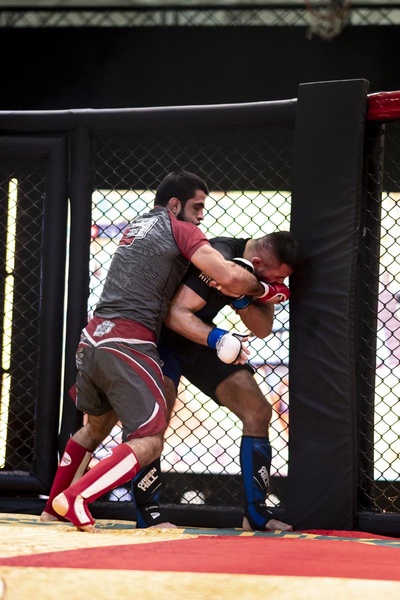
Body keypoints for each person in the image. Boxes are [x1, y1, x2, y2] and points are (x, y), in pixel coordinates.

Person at [40, 169, 268, 532]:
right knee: (149, 439)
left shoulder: (136, 225)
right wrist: (266, 290)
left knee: (95, 428)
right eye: (197, 207)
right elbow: (229, 277)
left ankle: (51, 509)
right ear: (175, 205)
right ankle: (78, 496)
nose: (201, 216)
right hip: (129, 343)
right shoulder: (182, 229)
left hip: (93, 339)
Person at [131, 231, 303, 532]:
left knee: (257, 410)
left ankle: (256, 514)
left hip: (199, 340)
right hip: (162, 339)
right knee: (155, 421)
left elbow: (263, 328)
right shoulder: (218, 254)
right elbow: (174, 315)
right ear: (257, 262)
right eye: (276, 278)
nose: (278, 285)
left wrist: (242, 299)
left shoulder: (256, 274)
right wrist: (219, 337)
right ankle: (148, 514)